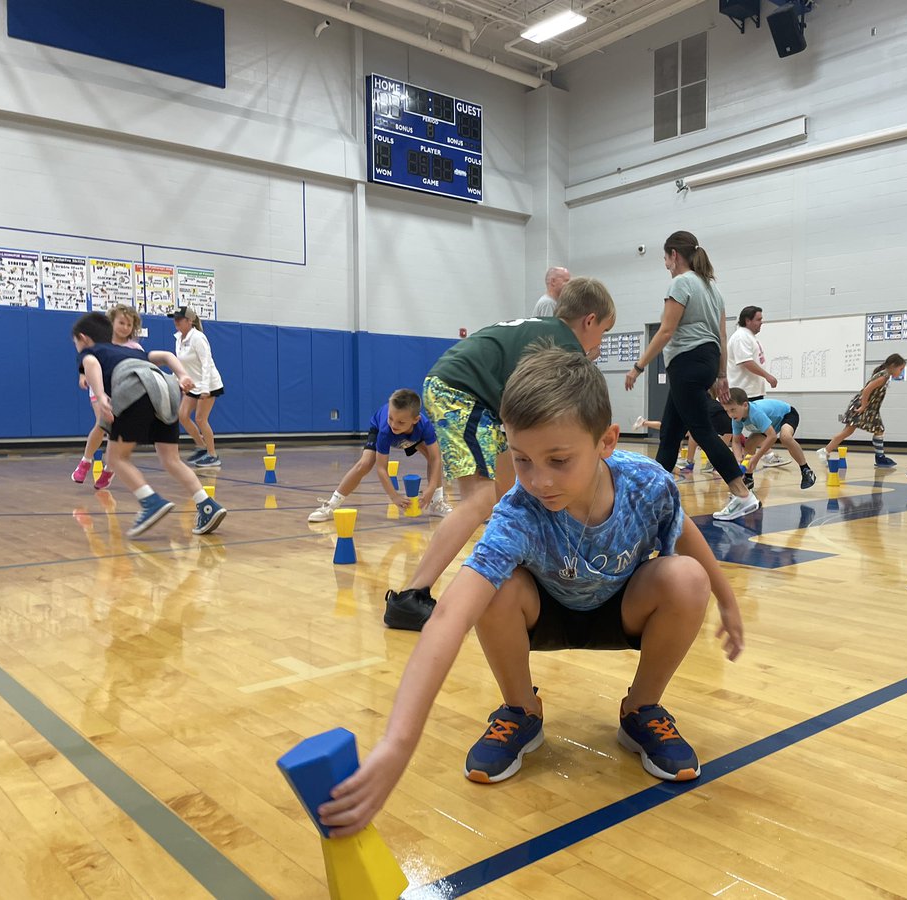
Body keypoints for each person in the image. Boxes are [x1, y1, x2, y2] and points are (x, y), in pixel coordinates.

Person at [316, 348, 744, 836]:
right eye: (522, 460)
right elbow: (450, 616)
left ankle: (641, 708)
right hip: (545, 613)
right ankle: (521, 709)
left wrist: (726, 600)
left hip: (623, 609)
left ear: (606, 441)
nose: (540, 480)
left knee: (686, 577)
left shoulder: (647, 483)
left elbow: (683, 531)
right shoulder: (519, 510)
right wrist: (397, 741)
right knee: (489, 587)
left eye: (559, 460)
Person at [383, 277, 616, 631]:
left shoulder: (543, 328)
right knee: (480, 498)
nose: (600, 341)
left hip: (477, 396)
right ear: (589, 320)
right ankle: (412, 595)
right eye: (604, 330)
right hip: (463, 393)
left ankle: (522, 573)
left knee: (511, 497)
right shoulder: (566, 348)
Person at [625, 231, 759, 521]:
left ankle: (742, 493)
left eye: (665, 257)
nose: (665, 264)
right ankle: (656, 501)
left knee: (702, 431)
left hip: (686, 362)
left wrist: (638, 367)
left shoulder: (681, 282)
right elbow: (722, 336)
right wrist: (721, 374)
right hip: (707, 361)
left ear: (674, 255)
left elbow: (666, 330)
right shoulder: (713, 289)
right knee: (671, 434)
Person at [72, 312, 227, 538]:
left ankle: (150, 501)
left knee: (115, 458)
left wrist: (101, 394)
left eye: (75, 342)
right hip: (166, 391)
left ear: (83, 338)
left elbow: (91, 363)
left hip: (136, 392)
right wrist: (182, 375)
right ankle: (206, 505)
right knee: (171, 459)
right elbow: (165, 355)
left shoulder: (91, 351)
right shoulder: (133, 350)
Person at [308, 389, 450, 524]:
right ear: (388, 410)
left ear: (416, 419)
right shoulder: (386, 429)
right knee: (365, 463)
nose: (394, 424)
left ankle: (436, 503)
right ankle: (331, 505)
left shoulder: (424, 426)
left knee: (433, 457)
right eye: (391, 418)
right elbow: (381, 468)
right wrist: (394, 496)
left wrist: (431, 488)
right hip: (380, 430)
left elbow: (436, 458)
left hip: (412, 435)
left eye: (400, 422)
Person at [72, 304, 145, 490]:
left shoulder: (134, 347)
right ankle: (85, 461)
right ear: (111, 322)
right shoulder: (100, 344)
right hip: (100, 391)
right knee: (102, 423)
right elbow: (87, 361)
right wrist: (82, 375)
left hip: (123, 394)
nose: (125, 327)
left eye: (129, 325)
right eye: (121, 322)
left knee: (117, 432)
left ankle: (109, 469)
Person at [722, 388, 816, 499]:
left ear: (745, 405)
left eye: (733, 410)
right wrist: (738, 459)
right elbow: (736, 441)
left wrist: (757, 457)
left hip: (787, 415)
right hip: (771, 424)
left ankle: (806, 470)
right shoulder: (736, 418)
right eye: (727, 411)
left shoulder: (756, 414)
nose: (730, 414)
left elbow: (772, 437)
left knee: (785, 437)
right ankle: (748, 478)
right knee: (749, 444)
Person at [726, 305, 789, 468]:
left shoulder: (749, 337)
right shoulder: (741, 337)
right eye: (758, 319)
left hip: (751, 390)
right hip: (744, 391)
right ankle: (761, 455)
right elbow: (745, 361)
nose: (762, 322)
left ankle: (764, 454)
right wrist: (767, 376)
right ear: (747, 320)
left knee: (759, 428)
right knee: (743, 429)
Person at [817, 353, 906, 469]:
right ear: (893, 365)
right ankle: (825, 451)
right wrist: (863, 406)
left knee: (878, 430)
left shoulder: (885, 375)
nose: (901, 372)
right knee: (848, 431)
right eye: (901, 369)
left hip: (870, 409)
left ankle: (880, 458)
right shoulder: (883, 376)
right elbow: (866, 390)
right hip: (863, 406)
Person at [170, 306, 224, 469]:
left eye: (179, 319)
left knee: (201, 419)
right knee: (183, 415)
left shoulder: (198, 338)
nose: (176, 322)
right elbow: (180, 363)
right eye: (175, 319)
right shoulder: (179, 338)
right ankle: (201, 447)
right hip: (192, 384)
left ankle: (213, 455)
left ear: (189, 321)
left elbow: (206, 363)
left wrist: (205, 388)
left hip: (208, 383)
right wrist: (176, 381)